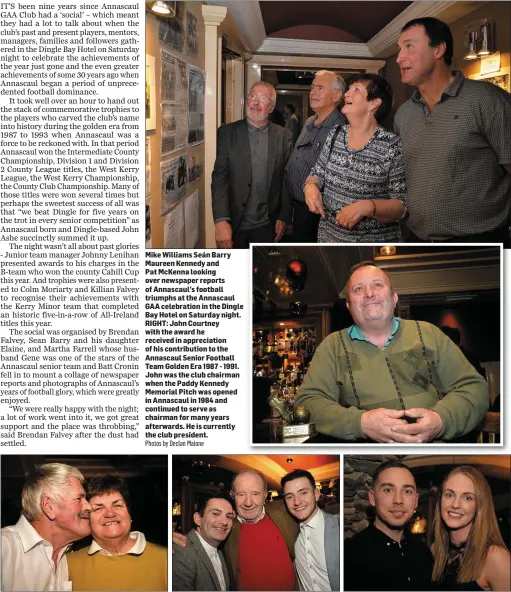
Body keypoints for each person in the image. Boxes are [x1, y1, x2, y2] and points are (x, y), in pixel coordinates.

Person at [296, 261, 489, 442]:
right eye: (358, 289)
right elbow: (307, 403)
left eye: (377, 285)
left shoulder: (428, 333)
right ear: (348, 306)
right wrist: (360, 423)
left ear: (394, 298)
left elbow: (474, 389)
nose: (369, 293)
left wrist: (441, 420)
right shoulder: (332, 346)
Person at [394, 17, 511, 245]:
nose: (399, 58)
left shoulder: (487, 100)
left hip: (482, 244)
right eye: (399, 49)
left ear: (438, 49)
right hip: (418, 241)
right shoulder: (404, 114)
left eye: (409, 46)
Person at [304, 74, 406, 243]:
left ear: (374, 103)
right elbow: (317, 172)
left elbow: (402, 206)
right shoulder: (335, 134)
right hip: (329, 240)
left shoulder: (391, 146)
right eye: (348, 89)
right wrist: (311, 186)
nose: (346, 94)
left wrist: (368, 206)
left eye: (356, 89)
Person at [212, 81, 293, 248]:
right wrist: (221, 220)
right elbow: (220, 178)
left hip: (268, 224)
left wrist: (284, 216)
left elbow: (286, 179)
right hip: (234, 224)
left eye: (263, 98)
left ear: (271, 108)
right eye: (252, 96)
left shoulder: (283, 136)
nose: (255, 102)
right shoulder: (227, 133)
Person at [67, 474, 167, 591]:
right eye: (98, 508)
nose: (110, 514)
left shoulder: (165, 559)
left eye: (117, 505)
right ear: (88, 519)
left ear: (129, 514)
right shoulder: (69, 565)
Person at [344, 460, 433, 591]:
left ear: (415, 501)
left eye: (407, 491)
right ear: (372, 498)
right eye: (388, 490)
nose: (398, 500)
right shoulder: (351, 555)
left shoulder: (423, 553)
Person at [1, 463, 92, 592]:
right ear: (49, 507)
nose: (89, 507)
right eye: (79, 499)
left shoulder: (68, 556)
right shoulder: (5, 547)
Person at [285, 70, 345, 242]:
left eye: (320, 88)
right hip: (296, 204)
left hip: (316, 211)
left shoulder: (340, 129)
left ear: (336, 96)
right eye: (312, 87)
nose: (312, 92)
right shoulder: (309, 121)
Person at [432, 466, 510, 591]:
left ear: (480, 506)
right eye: (449, 494)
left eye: (467, 497)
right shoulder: (436, 549)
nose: (455, 504)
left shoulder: (495, 557)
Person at [224, 469, 298, 590]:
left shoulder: (285, 512)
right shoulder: (226, 527)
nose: (248, 503)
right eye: (241, 494)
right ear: (232, 495)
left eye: (255, 494)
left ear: (265, 494)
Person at [282, 469, 340, 592]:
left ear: (317, 493)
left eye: (303, 493)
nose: (297, 502)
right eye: (290, 497)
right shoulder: (289, 531)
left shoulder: (338, 526)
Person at [172, 496, 235, 591]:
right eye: (216, 514)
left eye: (229, 517)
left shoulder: (222, 550)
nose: (224, 522)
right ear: (198, 519)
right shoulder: (182, 553)